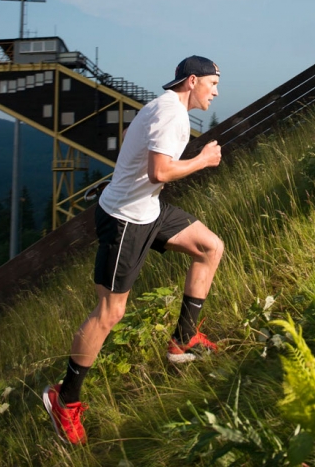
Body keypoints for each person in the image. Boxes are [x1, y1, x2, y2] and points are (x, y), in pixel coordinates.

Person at [43, 56, 223, 445]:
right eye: (212, 82)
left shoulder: (170, 110)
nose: (216, 90)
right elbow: (160, 172)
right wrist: (204, 160)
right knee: (110, 311)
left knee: (210, 247)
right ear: (192, 81)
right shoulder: (170, 114)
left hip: (150, 210)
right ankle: (65, 400)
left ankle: (183, 340)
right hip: (125, 218)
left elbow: (150, 172)